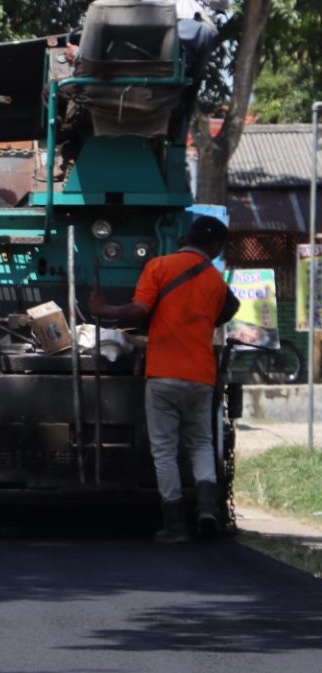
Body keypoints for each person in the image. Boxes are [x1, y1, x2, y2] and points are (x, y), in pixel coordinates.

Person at [89, 215, 240, 542]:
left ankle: (175, 525)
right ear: (214, 246)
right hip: (201, 375)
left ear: (188, 239)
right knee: (201, 443)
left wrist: (104, 310)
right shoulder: (215, 280)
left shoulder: (159, 266)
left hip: (163, 373)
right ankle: (207, 510)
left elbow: (139, 310)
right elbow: (230, 308)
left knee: (165, 450)